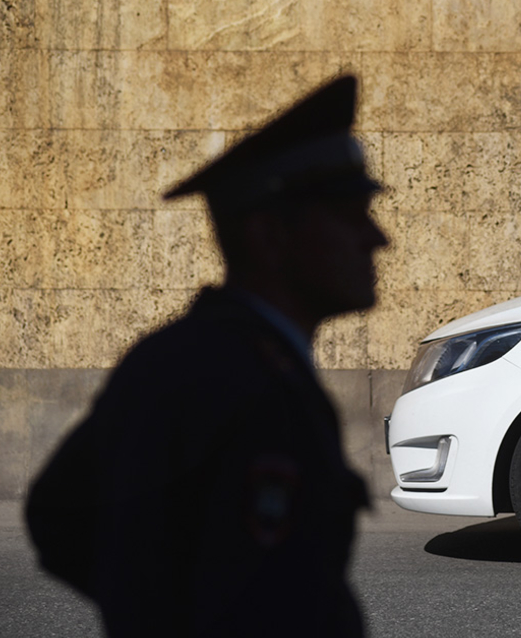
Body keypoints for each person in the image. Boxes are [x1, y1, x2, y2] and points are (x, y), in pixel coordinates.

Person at [25, 75, 388, 635]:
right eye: (349, 215)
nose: (376, 238)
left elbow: (60, 514)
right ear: (270, 236)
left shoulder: (202, 356)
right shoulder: (229, 374)